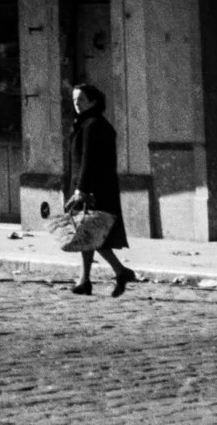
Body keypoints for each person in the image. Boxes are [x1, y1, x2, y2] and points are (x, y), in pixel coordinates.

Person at [64, 81, 135, 297]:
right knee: (87, 234)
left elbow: (88, 160)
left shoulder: (93, 124)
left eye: (82, 100)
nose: (77, 104)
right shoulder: (87, 122)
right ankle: (86, 280)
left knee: (91, 234)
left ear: (93, 101)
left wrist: (80, 190)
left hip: (93, 189)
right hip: (91, 186)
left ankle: (118, 271)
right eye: (74, 100)